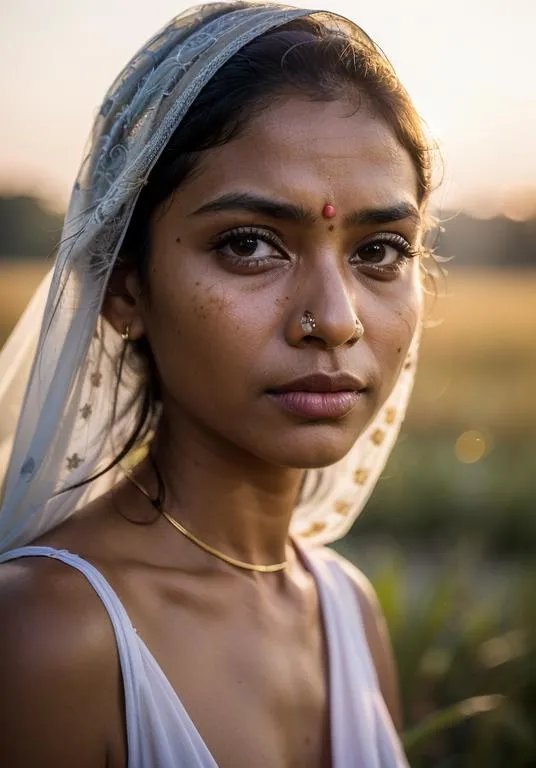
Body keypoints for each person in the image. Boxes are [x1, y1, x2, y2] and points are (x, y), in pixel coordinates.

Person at [0, 2, 433, 766]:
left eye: (382, 251)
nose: (334, 320)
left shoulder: (347, 611)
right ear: (125, 287)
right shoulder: (47, 636)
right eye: (249, 244)